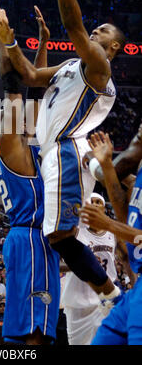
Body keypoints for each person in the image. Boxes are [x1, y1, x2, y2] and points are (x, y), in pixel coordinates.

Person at [0, 0, 126, 302]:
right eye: (97, 28)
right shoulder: (73, 65)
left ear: (113, 48)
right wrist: (11, 40)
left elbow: (75, 26)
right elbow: (30, 76)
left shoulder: (99, 66)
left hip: (66, 146)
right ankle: (111, 292)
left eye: (103, 32)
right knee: (63, 236)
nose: (96, 31)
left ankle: (113, 294)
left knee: (61, 236)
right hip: (58, 150)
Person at [0, 0, 61, 345]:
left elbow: (36, 91)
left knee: (34, 326)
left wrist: (44, 42)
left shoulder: (23, 144)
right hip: (29, 237)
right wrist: (5, 37)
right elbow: (13, 88)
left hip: (32, 239)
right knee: (34, 330)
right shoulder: (10, 147)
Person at [80, 126, 142, 344]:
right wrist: (106, 166)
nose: (139, 131)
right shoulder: (139, 174)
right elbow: (126, 217)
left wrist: (109, 224)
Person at [61, 193, 118, 345]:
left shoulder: (113, 233)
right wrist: (84, 263)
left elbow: (120, 262)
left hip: (105, 296)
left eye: (98, 201)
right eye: (91, 201)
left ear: (104, 208)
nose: (94, 204)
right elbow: (60, 263)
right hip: (77, 300)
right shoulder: (75, 231)